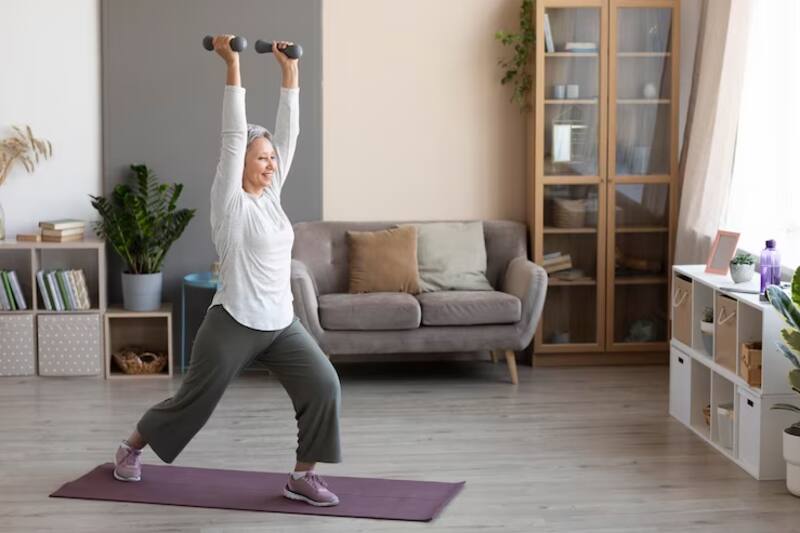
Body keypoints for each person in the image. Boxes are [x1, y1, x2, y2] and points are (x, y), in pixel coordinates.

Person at [112, 35, 342, 507]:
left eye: (272, 158)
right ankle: (131, 447)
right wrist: (232, 63)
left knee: (324, 385)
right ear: (240, 165)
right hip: (234, 321)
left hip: (281, 323)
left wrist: (289, 71)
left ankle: (303, 476)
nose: (271, 163)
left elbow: (290, 133)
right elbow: (234, 135)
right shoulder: (230, 203)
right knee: (193, 404)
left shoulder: (272, 196)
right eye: (262, 158)